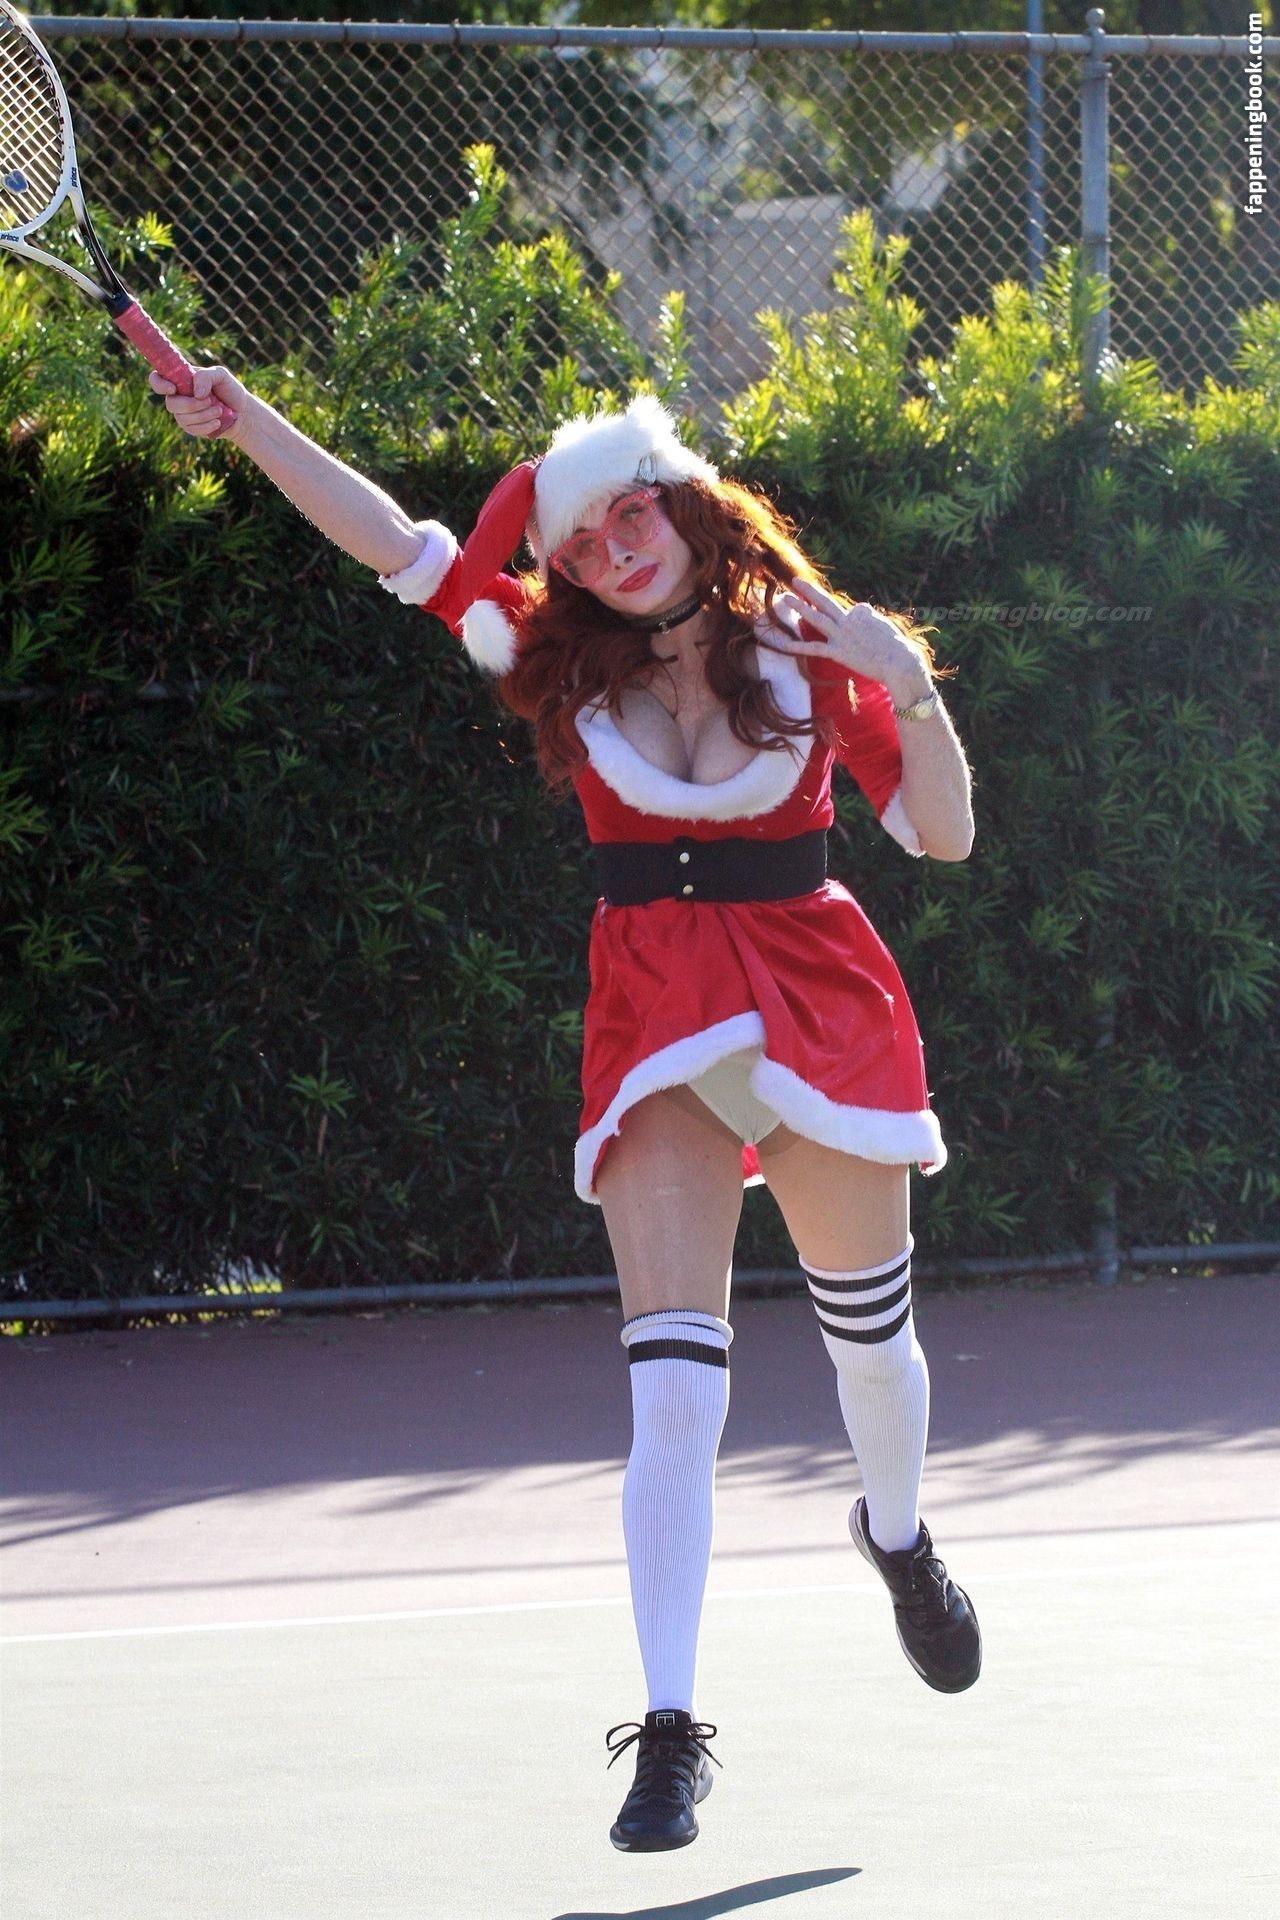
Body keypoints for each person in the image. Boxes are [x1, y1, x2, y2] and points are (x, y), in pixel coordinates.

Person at [151, 369, 982, 1854]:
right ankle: (669, 1735)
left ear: (682, 499)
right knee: (675, 1392)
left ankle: (899, 1537)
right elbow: (396, 541)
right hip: (656, 1009)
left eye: (629, 514)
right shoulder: (552, 658)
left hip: (817, 1000)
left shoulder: (810, 645)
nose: (614, 550)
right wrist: (245, 414)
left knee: (874, 1345)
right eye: (581, 542)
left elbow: (942, 833)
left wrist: (901, 675)